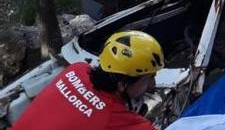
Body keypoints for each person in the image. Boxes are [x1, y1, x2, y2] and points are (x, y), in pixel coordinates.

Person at [14, 30, 164, 130]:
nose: (153, 84)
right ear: (122, 84)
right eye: (150, 77)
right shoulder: (116, 118)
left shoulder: (76, 69)